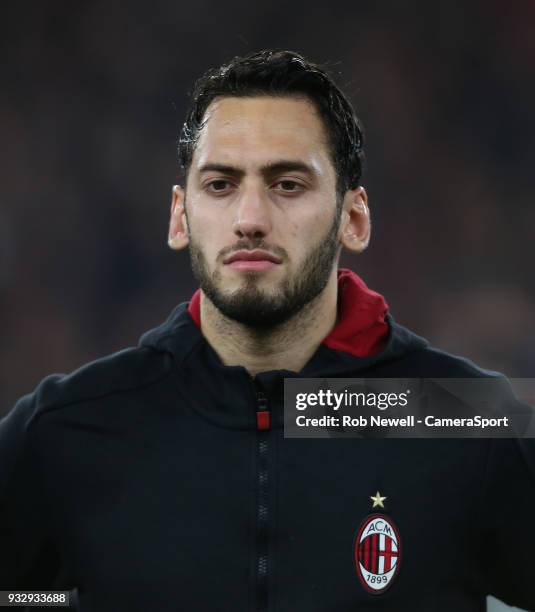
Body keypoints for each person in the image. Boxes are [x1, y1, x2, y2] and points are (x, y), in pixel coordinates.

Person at [1, 50, 534, 612]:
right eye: (220, 184)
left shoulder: (463, 417)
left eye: (287, 184)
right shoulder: (70, 426)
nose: (250, 217)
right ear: (180, 216)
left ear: (352, 218)